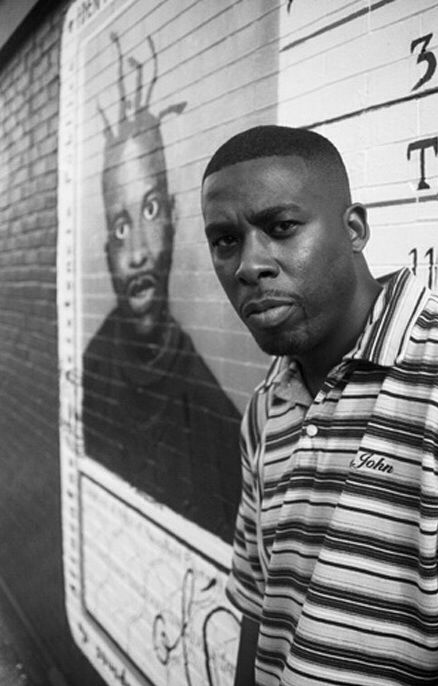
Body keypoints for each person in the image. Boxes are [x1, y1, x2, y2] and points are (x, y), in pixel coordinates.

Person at [200, 125, 438, 684]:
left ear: (355, 229)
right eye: (225, 240)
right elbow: (260, 609)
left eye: (281, 227)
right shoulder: (270, 403)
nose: (249, 265)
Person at [82, 34, 241, 544]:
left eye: (150, 210)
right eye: (121, 226)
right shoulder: (89, 375)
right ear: (108, 247)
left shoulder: (217, 422)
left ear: (173, 218)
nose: (137, 254)